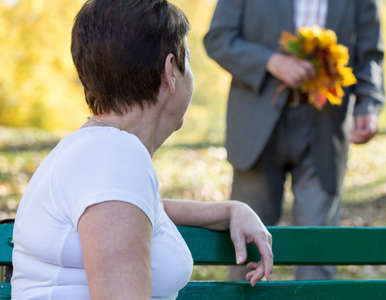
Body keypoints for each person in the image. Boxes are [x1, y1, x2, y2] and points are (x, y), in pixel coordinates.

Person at [11, 0, 273, 299]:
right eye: (187, 64)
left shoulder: (97, 152)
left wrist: (230, 210)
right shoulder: (115, 157)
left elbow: (135, 212)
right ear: (169, 73)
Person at [204, 0, 385, 280]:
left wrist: (368, 105)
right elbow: (218, 39)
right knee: (246, 254)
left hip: (326, 127)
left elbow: (370, 53)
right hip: (256, 128)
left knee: (318, 253)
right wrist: (271, 62)